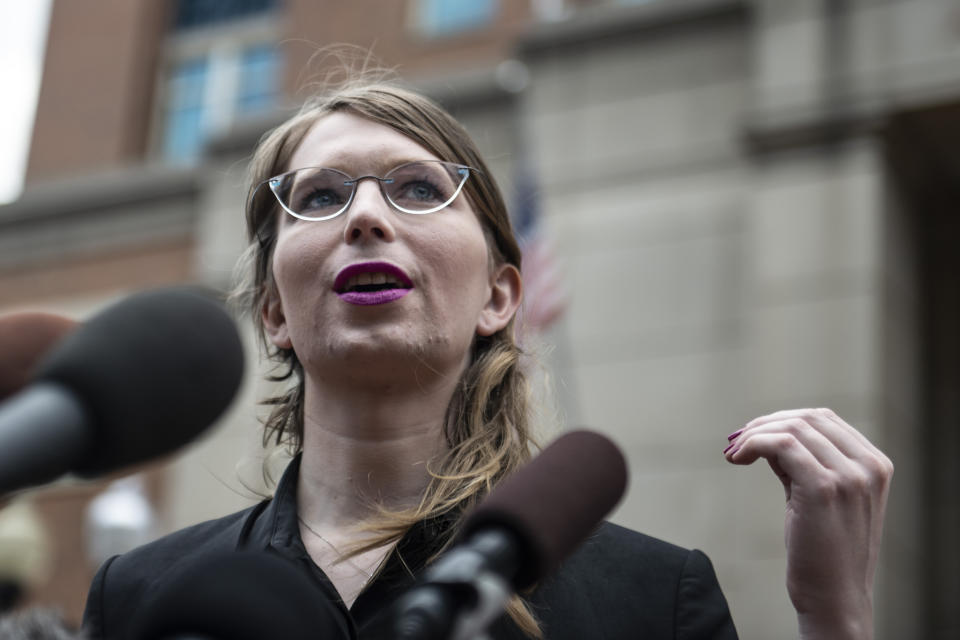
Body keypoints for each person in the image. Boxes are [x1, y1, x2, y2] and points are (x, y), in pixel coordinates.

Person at [81, 79, 893, 640]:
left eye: (418, 188)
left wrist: (835, 617)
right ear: (274, 314)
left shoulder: (653, 597)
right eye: (321, 196)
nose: (365, 215)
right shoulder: (139, 597)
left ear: (500, 298)